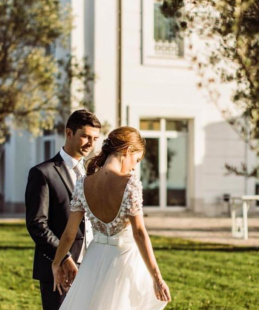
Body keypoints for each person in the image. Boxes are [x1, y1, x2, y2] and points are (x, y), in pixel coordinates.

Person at [52, 126, 171, 310]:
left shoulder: (83, 183)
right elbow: (139, 233)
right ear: (126, 150)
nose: (134, 166)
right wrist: (157, 278)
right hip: (123, 261)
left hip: (93, 259)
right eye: (136, 159)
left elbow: (69, 233)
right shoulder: (130, 184)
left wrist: (56, 263)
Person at [25, 110, 101, 310]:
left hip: (93, 264)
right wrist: (64, 257)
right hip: (58, 267)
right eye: (85, 136)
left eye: (95, 138)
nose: (90, 143)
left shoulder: (93, 173)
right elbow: (37, 224)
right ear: (69, 133)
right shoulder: (42, 173)